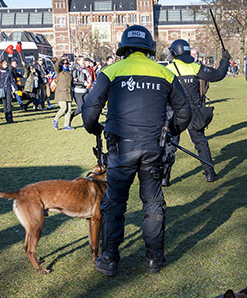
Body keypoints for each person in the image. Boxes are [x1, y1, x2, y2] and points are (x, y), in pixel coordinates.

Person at [81, 24, 192, 276]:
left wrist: (94, 128)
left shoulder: (110, 71)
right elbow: (185, 113)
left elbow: (89, 110)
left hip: (121, 149)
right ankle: (154, 259)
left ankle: (109, 258)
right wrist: (171, 130)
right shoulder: (163, 72)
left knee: (114, 202)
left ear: (124, 48)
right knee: (153, 203)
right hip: (153, 147)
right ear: (149, 49)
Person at [164, 38, 230, 182]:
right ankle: (210, 174)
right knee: (200, 142)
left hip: (174, 113)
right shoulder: (195, 67)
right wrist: (224, 60)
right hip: (193, 111)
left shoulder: (167, 70)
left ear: (174, 53)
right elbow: (218, 75)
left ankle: (164, 178)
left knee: (169, 145)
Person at [52, 58, 74, 130]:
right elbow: (56, 65)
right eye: (64, 64)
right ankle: (55, 120)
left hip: (68, 93)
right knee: (63, 108)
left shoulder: (69, 72)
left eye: (66, 64)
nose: (65, 65)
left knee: (69, 110)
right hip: (61, 93)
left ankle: (66, 125)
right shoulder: (59, 72)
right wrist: (62, 59)